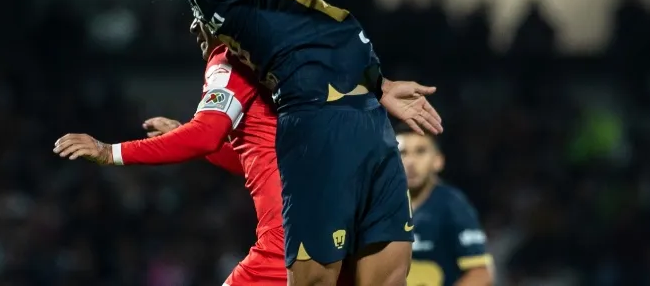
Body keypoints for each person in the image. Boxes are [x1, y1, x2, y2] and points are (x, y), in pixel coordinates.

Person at [127, 0, 433, 286]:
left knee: (388, 276)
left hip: (362, 116)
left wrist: (376, 85)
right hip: (319, 122)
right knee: (316, 280)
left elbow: (312, 29)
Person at [55, 18, 442, 285]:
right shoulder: (283, 67)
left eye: (199, 14)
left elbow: (205, 134)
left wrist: (110, 152)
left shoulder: (229, 59)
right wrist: (196, 143)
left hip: (289, 241)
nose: (193, 26)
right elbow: (263, 162)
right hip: (340, 231)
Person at [396, 126, 494, 286]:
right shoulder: (376, 206)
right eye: (402, 153)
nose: (411, 162)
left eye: (420, 151)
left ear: (438, 161)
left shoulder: (452, 205)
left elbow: (481, 273)